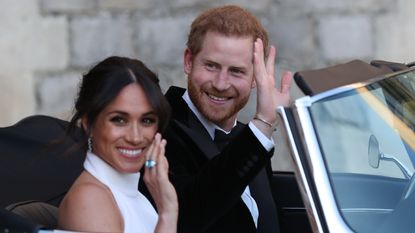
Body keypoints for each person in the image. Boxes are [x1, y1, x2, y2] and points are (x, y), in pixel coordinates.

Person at [153, 5, 293, 233]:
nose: (220, 83)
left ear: (256, 78)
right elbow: (188, 215)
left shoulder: (251, 139)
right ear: (189, 60)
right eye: (211, 66)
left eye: (236, 71)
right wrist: (263, 124)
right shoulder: (158, 130)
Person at [58, 56, 178, 233]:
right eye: (119, 120)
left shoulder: (132, 194)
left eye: (146, 120)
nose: (135, 137)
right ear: (88, 123)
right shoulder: (90, 200)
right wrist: (168, 214)